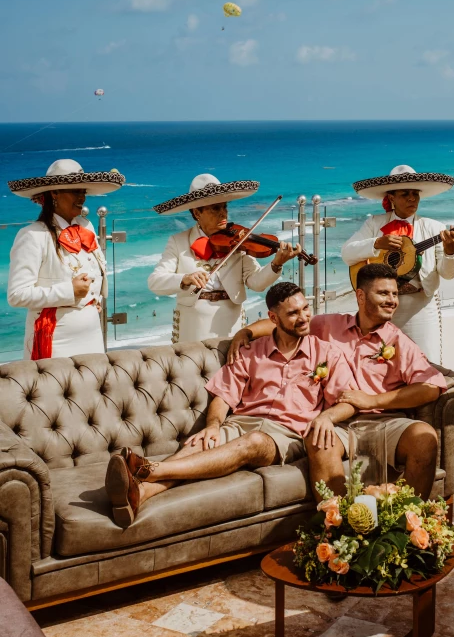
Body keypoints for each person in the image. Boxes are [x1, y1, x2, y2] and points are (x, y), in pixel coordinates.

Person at [104, 281, 357, 528]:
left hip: (286, 434)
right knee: (199, 442)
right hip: (241, 423)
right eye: (293, 313)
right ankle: (142, 491)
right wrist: (213, 426)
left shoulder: (327, 353)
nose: (303, 317)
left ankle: (150, 468)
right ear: (273, 318)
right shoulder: (250, 351)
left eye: (305, 309)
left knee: (254, 442)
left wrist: (326, 417)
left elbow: (348, 401)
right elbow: (224, 394)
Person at [229, 263, 447, 499]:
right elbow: (285, 322)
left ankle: (408, 522)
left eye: (394, 294)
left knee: (424, 438)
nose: (392, 300)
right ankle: (340, 526)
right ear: (361, 296)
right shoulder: (329, 326)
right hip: (338, 424)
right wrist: (246, 333)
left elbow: (431, 387)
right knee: (318, 440)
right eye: (383, 293)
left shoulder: (397, 340)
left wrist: (372, 399)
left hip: (385, 422)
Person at [148, 174, 300, 344]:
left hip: (231, 324)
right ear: (197, 213)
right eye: (215, 208)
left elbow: (256, 282)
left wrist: (276, 263)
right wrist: (185, 278)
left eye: (225, 207)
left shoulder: (239, 240)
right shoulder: (178, 241)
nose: (223, 213)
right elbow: (155, 282)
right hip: (193, 327)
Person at [341, 165, 454, 363]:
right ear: (391, 198)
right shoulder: (374, 224)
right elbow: (347, 253)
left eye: (415, 194)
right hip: (379, 308)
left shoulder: (434, 228)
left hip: (419, 307)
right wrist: (377, 243)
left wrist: (450, 251)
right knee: (381, 366)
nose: (412, 199)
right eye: (405, 194)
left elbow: (447, 274)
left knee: (425, 365)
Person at [7, 159, 124, 359]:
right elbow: (17, 295)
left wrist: (95, 298)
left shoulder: (86, 227)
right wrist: (69, 291)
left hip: (92, 333)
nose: (82, 198)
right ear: (54, 193)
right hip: (55, 339)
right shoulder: (33, 235)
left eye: (83, 192)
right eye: (75, 191)